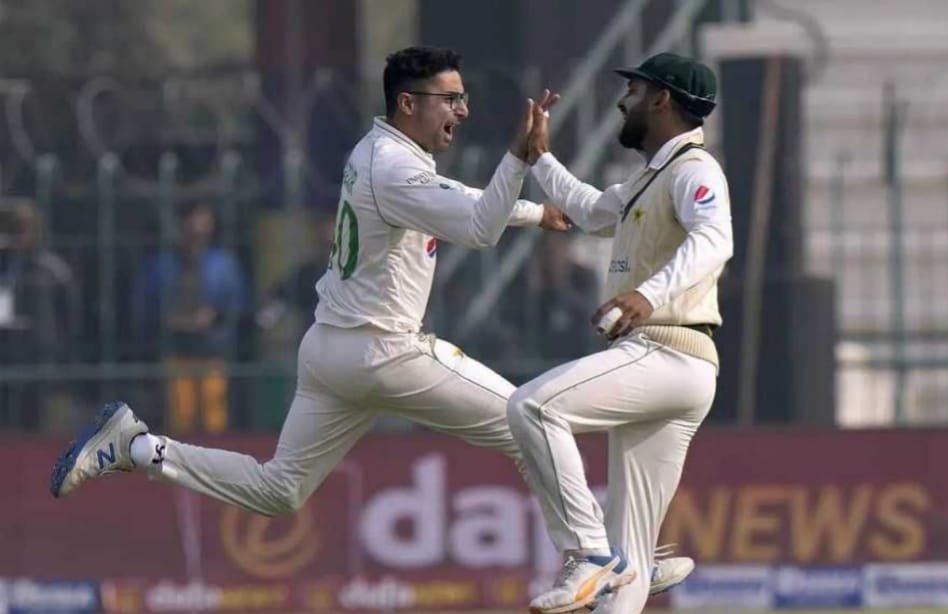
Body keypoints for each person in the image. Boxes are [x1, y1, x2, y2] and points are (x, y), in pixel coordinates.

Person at [48, 47, 694, 597]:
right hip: (388, 353)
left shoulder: (383, 154)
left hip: (332, 352)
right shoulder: (393, 164)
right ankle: (602, 556)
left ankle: (135, 446)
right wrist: (520, 161)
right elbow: (472, 224)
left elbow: (453, 203)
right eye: (449, 99)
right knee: (530, 415)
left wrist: (530, 213)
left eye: (464, 98)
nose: (461, 112)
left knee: (280, 490)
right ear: (408, 103)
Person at [507, 52, 732, 613]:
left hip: (669, 350)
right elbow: (590, 209)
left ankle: (589, 553)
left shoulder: (695, 170)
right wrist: (540, 159)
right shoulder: (651, 177)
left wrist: (648, 293)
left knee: (533, 408)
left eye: (633, 90)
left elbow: (714, 240)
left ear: (662, 99)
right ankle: (619, 561)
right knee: (629, 564)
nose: (622, 101)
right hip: (672, 367)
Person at [132, 200, 248, 433]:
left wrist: (214, 316)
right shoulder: (162, 264)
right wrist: (168, 319)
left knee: (214, 417)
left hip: (213, 348)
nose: (197, 230)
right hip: (175, 348)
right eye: (191, 223)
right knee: (180, 416)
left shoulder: (223, 263)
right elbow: (144, 303)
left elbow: (238, 304)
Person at [0, 199, 80, 430]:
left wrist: (59, 348)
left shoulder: (53, 270)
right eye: (12, 229)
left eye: (23, 229)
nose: (17, 236)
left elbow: (69, 314)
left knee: (36, 424)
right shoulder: (4, 268)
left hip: (40, 357)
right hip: (6, 354)